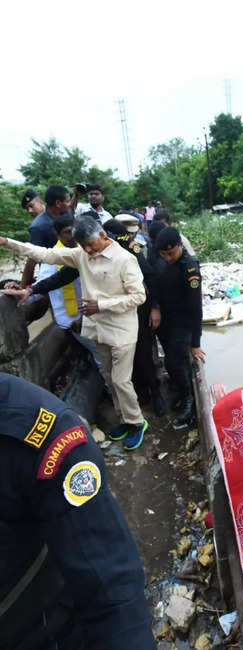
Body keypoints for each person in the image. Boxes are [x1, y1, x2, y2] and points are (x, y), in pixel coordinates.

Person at [0, 372, 156, 650]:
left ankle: (137, 422)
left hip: (40, 632)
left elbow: (112, 592)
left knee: (121, 378)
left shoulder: (43, 433)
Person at [0, 216, 149, 450]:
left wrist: (100, 304)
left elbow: (138, 296)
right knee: (110, 379)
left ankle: (137, 422)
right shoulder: (81, 256)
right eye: (83, 246)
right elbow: (46, 254)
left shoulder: (125, 259)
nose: (88, 250)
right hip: (98, 330)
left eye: (91, 244)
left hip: (122, 331)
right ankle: (126, 420)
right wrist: (8, 242)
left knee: (121, 380)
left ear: (102, 235)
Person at [3, 215, 105, 378]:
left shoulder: (85, 250)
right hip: (74, 321)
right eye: (68, 232)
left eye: (75, 232)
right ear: (58, 234)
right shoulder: (54, 260)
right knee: (101, 359)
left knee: (102, 358)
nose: (72, 236)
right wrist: (23, 290)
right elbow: (43, 284)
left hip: (94, 315)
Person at [103, 218, 165, 416]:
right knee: (129, 355)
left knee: (144, 352)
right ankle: (142, 393)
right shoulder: (104, 253)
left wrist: (155, 307)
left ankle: (156, 393)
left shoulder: (132, 249)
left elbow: (151, 277)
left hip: (139, 308)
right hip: (119, 310)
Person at [155, 227, 205, 430]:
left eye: (171, 253)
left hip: (183, 321)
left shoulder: (189, 267)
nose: (168, 258)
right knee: (174, 361)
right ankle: (180, 391)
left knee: (174, 361)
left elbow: (196, 307)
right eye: (164, 254)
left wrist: (195, 342)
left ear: (180, 246)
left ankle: (189, 403)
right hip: (166, 318)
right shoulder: (161, 261)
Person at [21, 185, 71, 288]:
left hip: (73, 270)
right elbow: (32, 258)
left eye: (31, 205)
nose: (30, 211)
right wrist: (24, 287)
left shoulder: (67, 214)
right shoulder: (38, 226)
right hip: (54, 278)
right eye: (27, 208)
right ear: (58, 203)